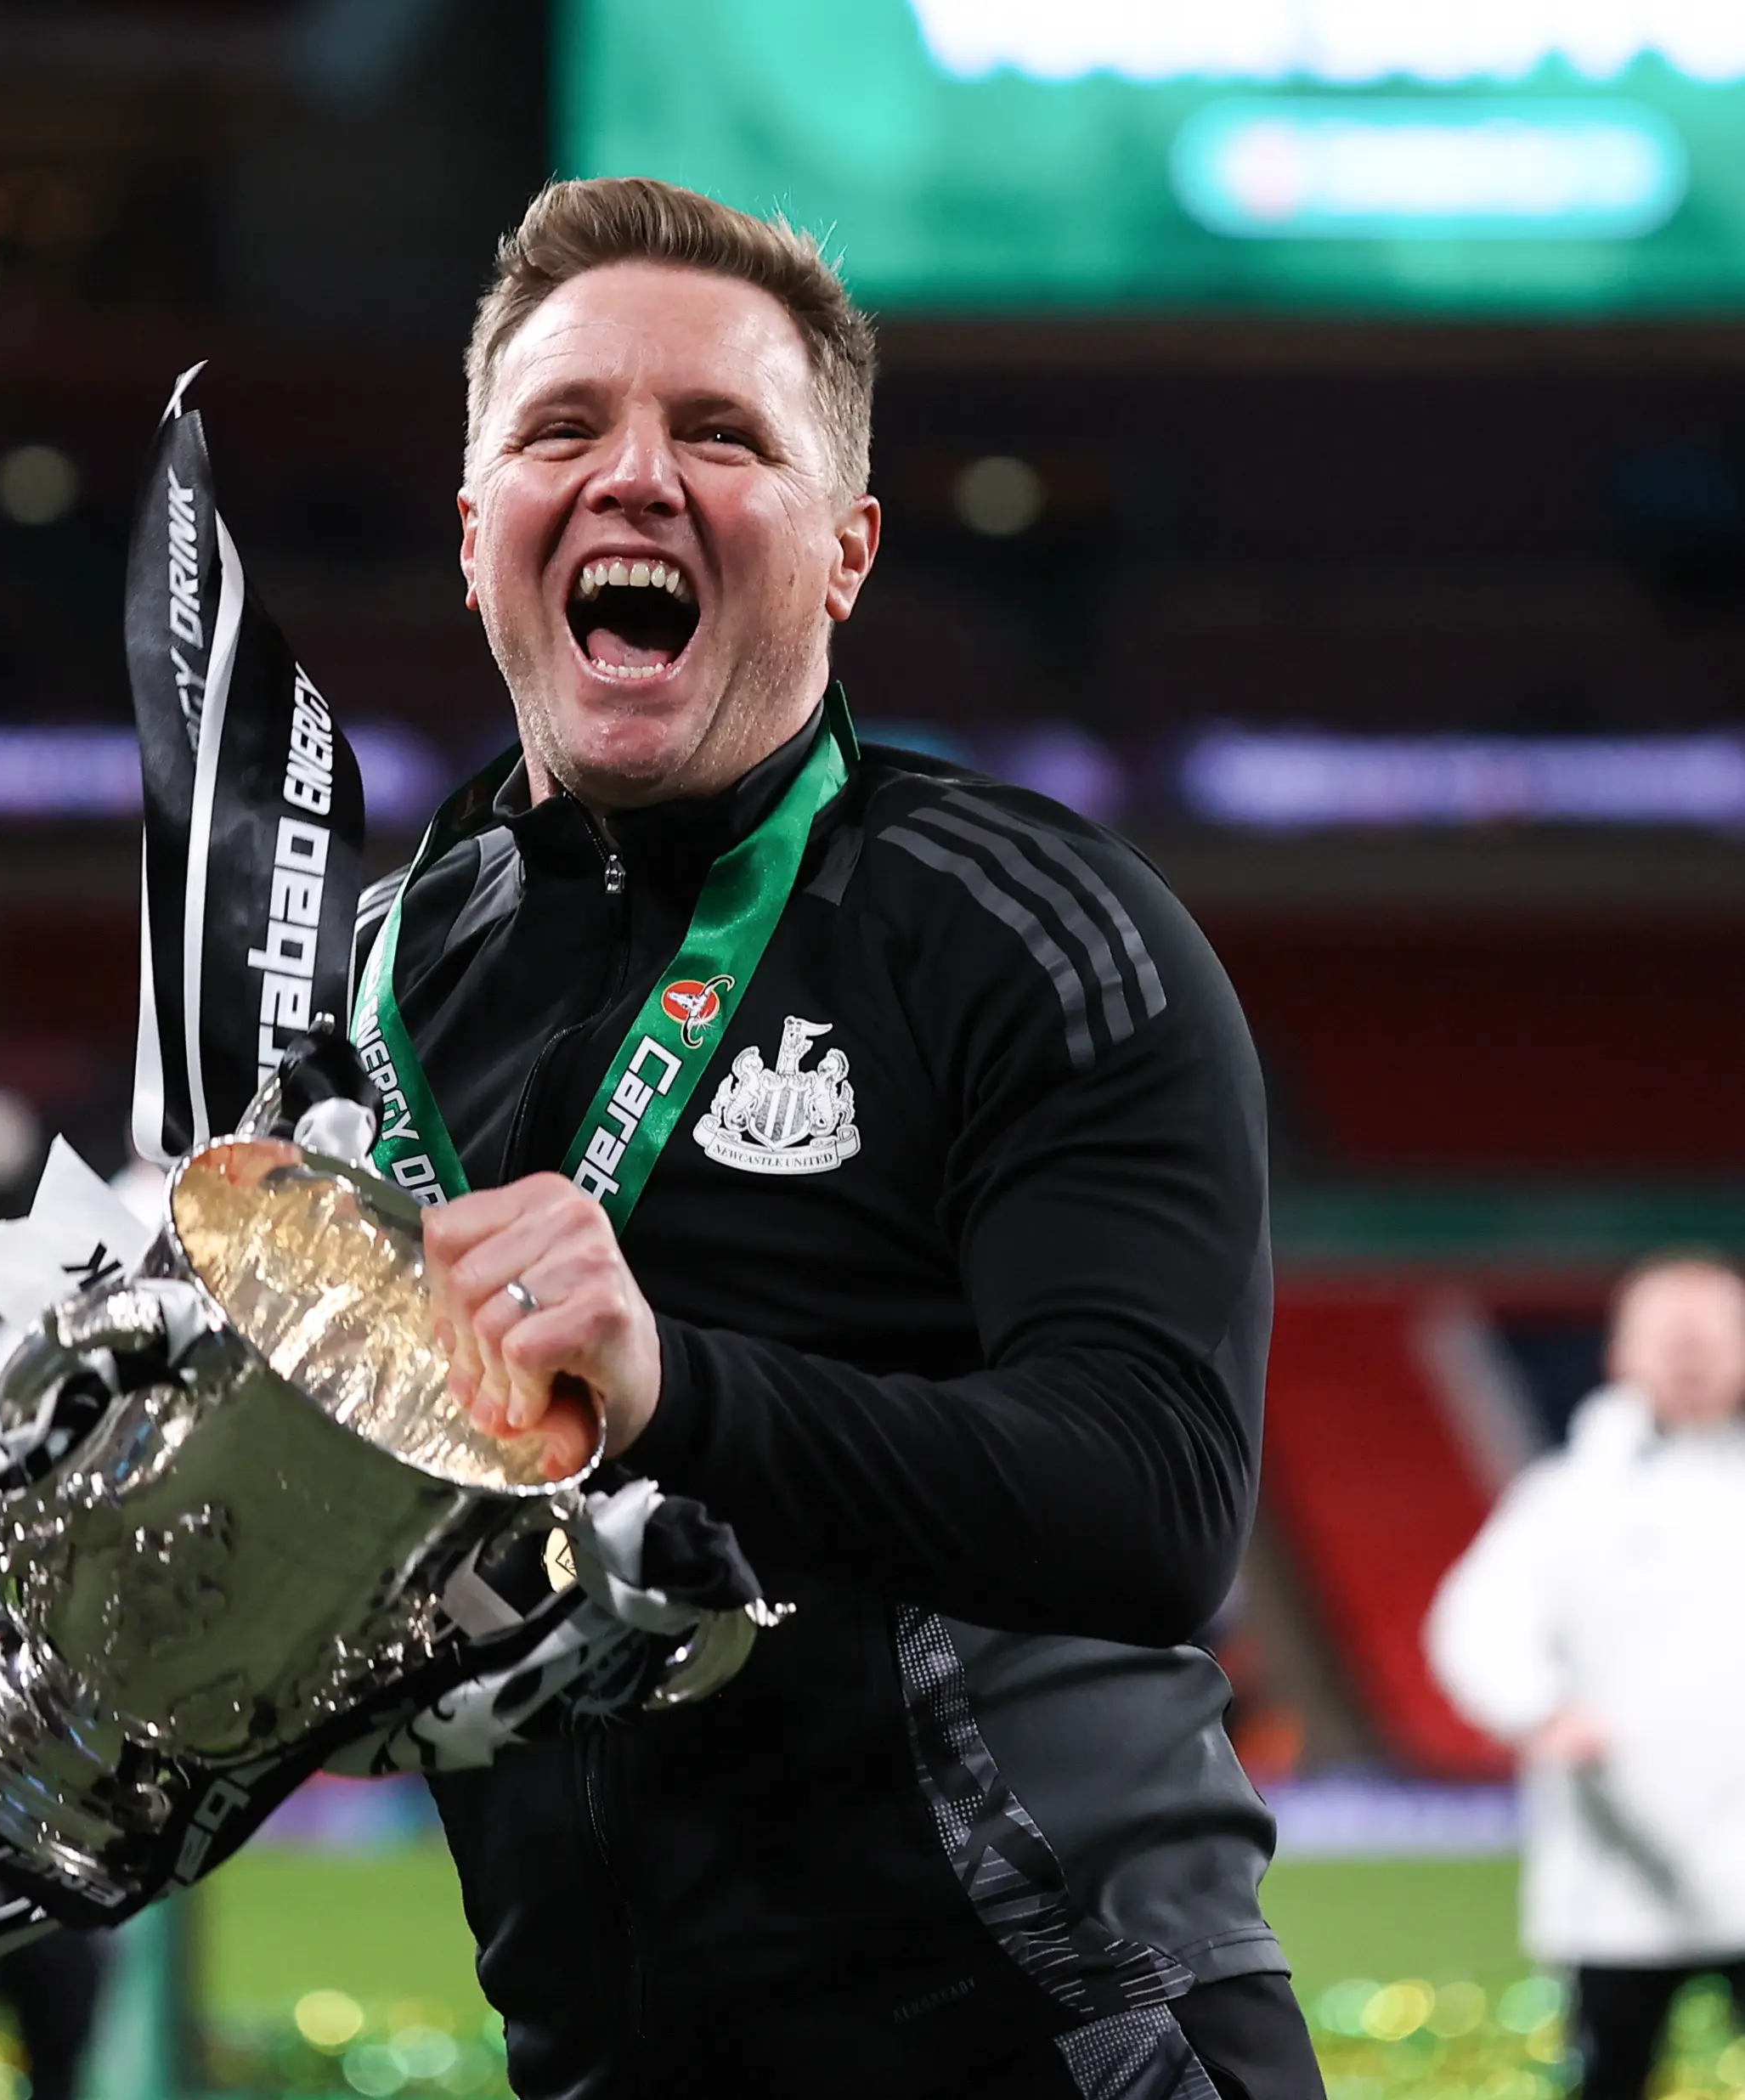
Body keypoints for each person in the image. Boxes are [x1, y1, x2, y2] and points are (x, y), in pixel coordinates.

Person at [357, 178, 1313, 2096]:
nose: (637, 477)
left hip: (1063, 2041)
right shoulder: (382, 988)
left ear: (847, 548)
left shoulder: (1027, 933)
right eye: (564, 428)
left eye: (722, 435)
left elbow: (1157, 1503)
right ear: (477, 537)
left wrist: (678, 1387)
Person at [1428, 1256, 1745, 2100]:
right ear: (1622, 1354)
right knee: (1613, 2077)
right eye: (1667, 1333)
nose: (1691, 1352)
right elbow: (1473, 1624)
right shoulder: (1564, 1498)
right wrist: (1537, 1709)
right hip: (1617, 1881)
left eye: (1711, 1331)